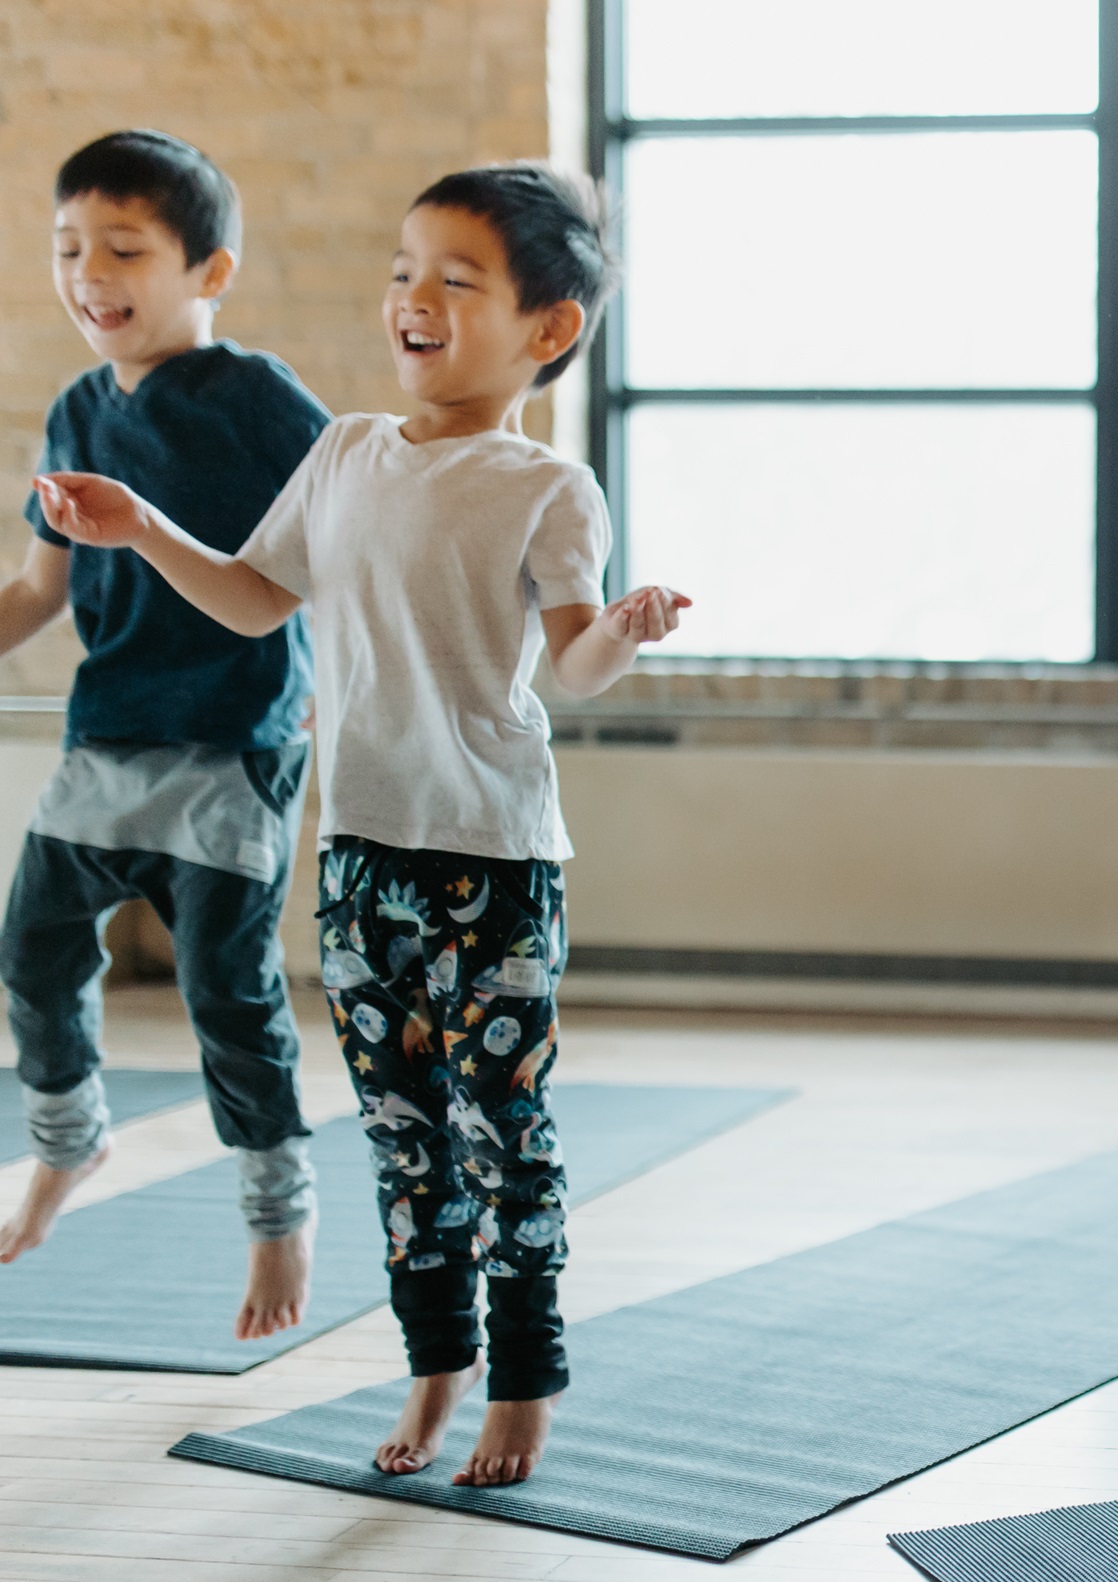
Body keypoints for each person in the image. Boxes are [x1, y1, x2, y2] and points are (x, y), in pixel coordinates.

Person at [33, 163, 690, 1488]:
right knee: (403, 1137)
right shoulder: (340, 451)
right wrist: (139, 523)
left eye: (457, 281)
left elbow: (571, 671)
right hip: (359, 862)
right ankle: (433, 1364)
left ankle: (524, 1382)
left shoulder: (549, 490)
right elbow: (251, 599)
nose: (414, 299)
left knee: (504, 1132)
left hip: (496, 868)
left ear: (548, 330)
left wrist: (620, 632)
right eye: (403, 272)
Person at [0, 130, 327, 1339]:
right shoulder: (79, 408)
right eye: (67, 247)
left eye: (124, 247)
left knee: (222, 992)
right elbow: (35, 594)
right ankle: (66, 1144)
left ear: (210, 271)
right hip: (108, 737)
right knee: (31, 946)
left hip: (234, 747)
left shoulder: (260, 400)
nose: (91, 271)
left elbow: (321, 554)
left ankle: (277, 1216)